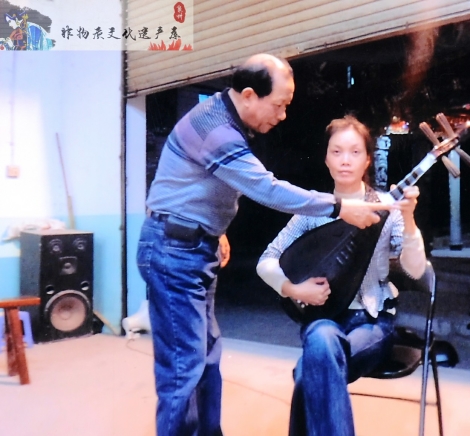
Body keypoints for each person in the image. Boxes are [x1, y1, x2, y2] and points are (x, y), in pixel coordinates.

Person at [136, 54, 391, 436]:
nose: (283, 115)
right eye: (280, 105)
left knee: (207, 357)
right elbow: (265, 188)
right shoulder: (218, 131)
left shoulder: (224, 118)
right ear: (249, 96)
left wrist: (213, 228)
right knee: (182, 368)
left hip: (192, 244)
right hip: (175, 251)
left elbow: (191, 184)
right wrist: (339, 207)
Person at [256, 116, 428, 436]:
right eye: (336, 152)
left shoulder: (386, 207)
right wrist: (293, 289)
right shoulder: (314, 209)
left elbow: (416, 270)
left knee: (308, 372)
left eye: (354, 152)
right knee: (321, 341)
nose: (345, 160)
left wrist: (408, 219)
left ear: (367, 160)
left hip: (372, 323)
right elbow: (267, 260)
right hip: (324, 322)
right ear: (326, 159)